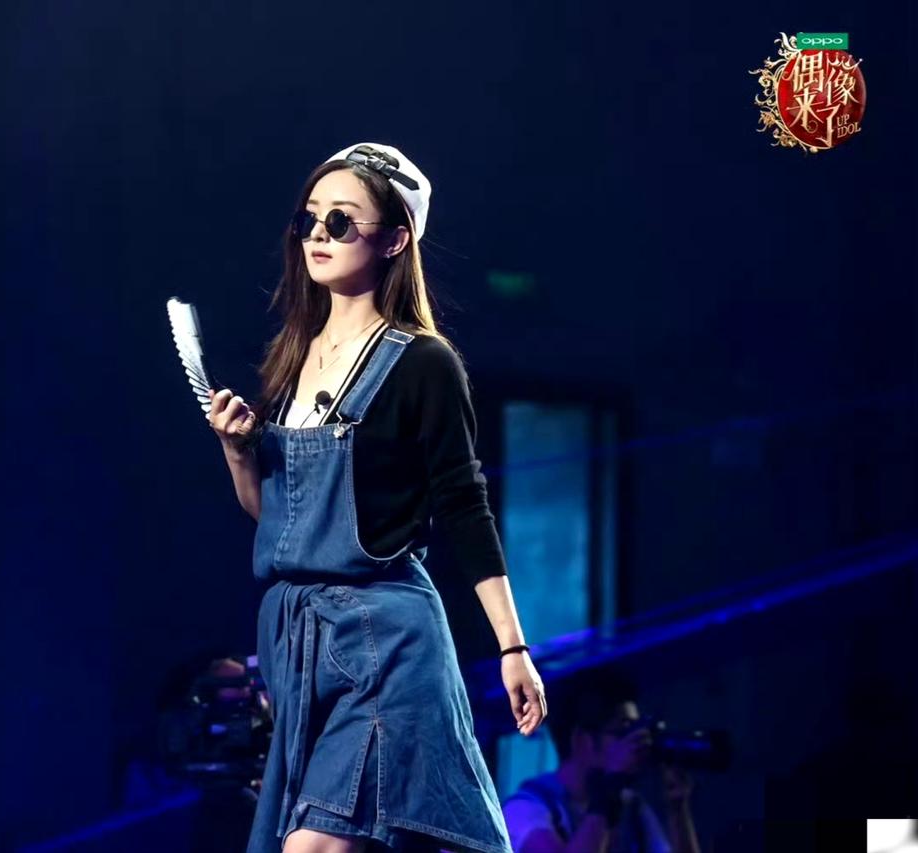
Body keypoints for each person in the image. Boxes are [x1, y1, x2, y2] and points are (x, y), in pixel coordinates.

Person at [206, 142, 545, 853]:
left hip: (384, 642)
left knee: (317, 845)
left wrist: (512, 646)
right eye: (309, 219)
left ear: (394, 240)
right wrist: (238, 452)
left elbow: (464, 503)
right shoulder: (294, 355)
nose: (319, 235)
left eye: (342, 221)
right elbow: (283, 520)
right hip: (300, 644)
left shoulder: (423, 362)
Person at [500, 667, 701, 853]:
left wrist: (678, 809)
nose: (636, 743)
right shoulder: (526, 808)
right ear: (582, 741)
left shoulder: (632, 808)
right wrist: (611, 786)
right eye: (624, 730)